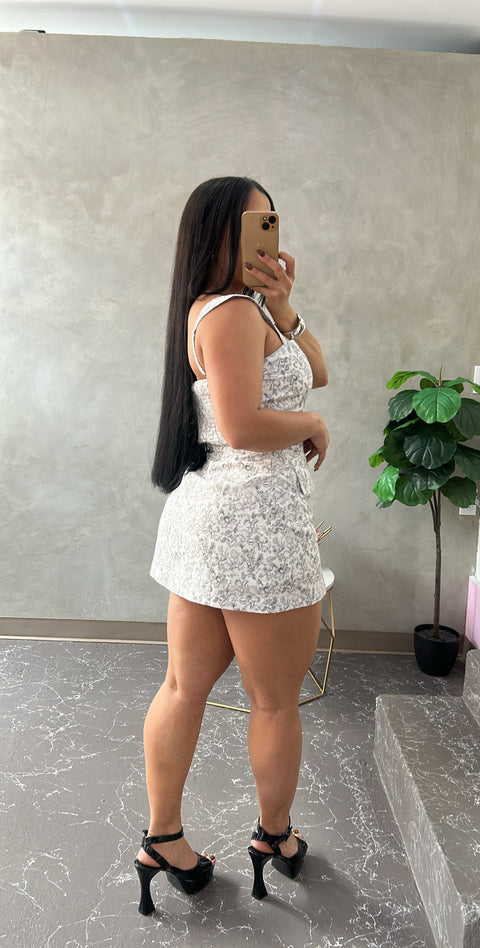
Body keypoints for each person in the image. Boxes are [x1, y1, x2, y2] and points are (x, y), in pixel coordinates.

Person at [134, 176, 330, 913]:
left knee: (183, 687)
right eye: (255, 225)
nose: (268, 238)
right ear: (220, 234)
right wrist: (311, 425)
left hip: (208, 523)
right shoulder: (233, 313)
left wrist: (286, 306)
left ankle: (163, 838)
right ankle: (274, 837)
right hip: (258, 528)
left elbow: (316, 370)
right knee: (274, 701)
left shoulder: (227, 310)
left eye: (271, 223)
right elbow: (244, 425)